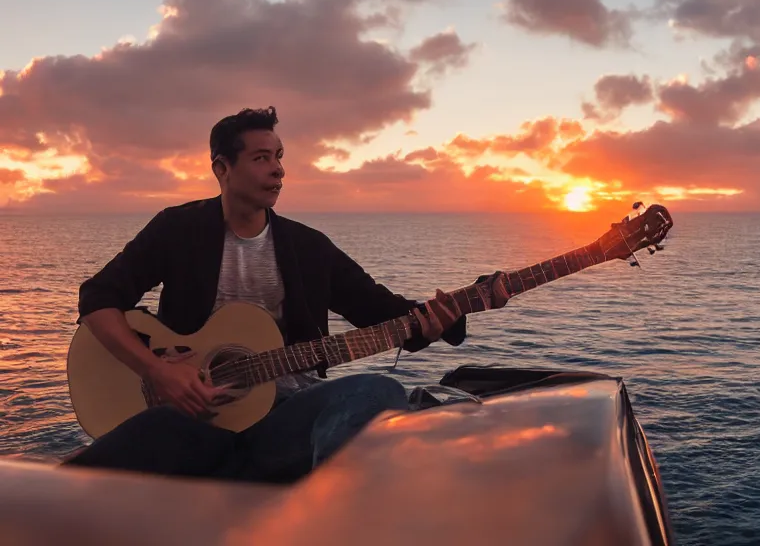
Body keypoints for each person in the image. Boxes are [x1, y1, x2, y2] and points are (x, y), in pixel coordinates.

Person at [63, 106, 507, 483]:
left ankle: (325, 517)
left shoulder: (308, 247)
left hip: (285, 419)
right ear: (222, 168)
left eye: (278, 156)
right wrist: (156, 370)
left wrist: (448, 313)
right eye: (260, 158)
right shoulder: (178, 230)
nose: (277, 169)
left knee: (376, 390)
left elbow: (380, 312)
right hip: (196, 419)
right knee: (152, 429)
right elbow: (98, 299)